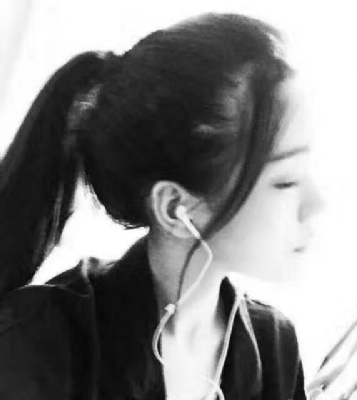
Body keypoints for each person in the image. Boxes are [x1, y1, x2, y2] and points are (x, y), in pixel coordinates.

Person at [0, 12, 322, 400]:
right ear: (175, 208)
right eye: (286, 181)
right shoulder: (37, 343)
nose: (316, 204)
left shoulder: (275, 348)